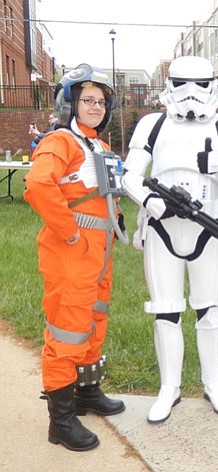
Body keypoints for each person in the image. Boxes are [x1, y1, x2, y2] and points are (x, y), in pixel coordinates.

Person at [122, 56, 218, 423]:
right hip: (162, 228)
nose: (190, 93)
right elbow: (129, 173)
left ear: (213, 86)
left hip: (209, 227)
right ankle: (169, 387)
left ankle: (213, 382)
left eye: (199, 84)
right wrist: (149, 201)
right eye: (181, 83)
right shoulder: (152, 125)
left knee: (210, 309)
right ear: (169, 84)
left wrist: (216, 166)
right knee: (166, 310)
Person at [24, 64, 127, 452]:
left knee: (93, 320)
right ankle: (61, 421)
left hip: (98, 253)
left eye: (101, 101)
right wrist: (68, 231)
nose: (95, 106)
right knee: (68, 330)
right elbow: (37, 184)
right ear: (69, 103)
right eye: (87, 100)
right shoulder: (61, 141)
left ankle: (87, 392)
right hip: (72, 250)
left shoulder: (97, 145)